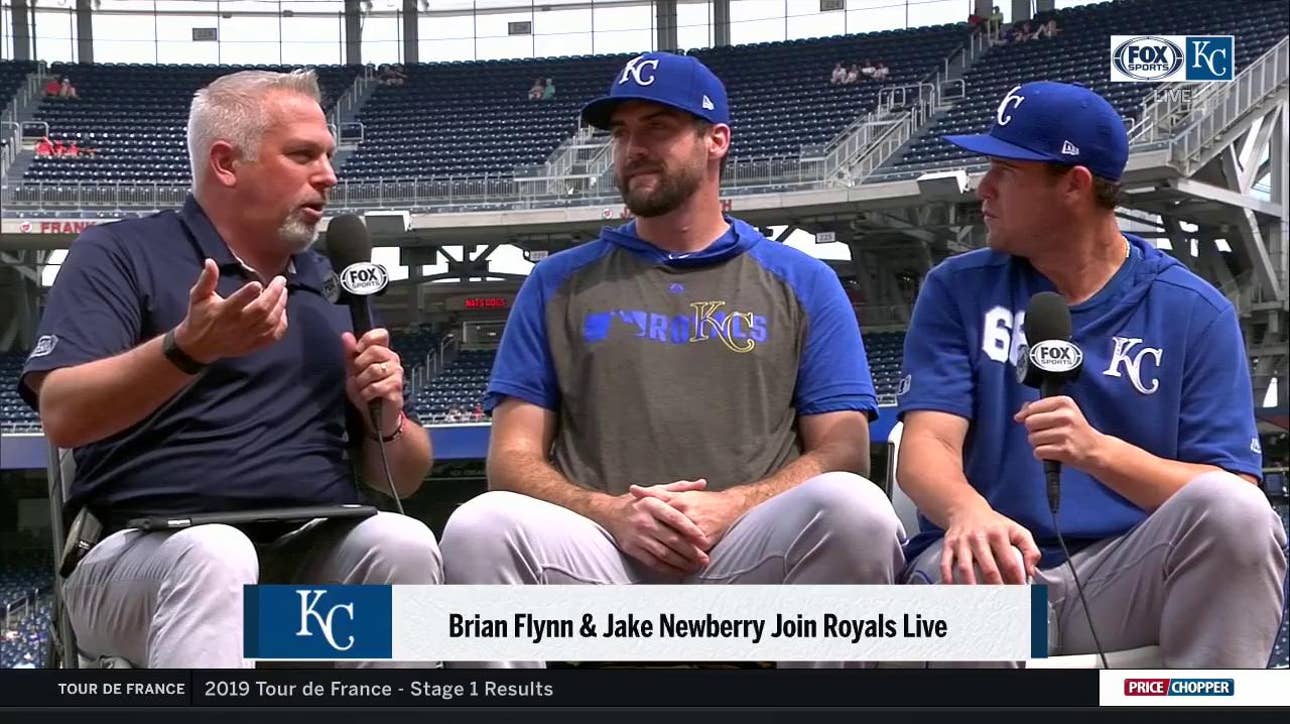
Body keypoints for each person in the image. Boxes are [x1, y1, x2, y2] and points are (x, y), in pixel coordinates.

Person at [440, 51, 903, 668]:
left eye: (658, 127)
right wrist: (611, 513)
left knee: (855, 508)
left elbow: (844, 449)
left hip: (744, 551)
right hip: (604, 554)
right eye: (621, 132)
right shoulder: (557, 283)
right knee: (480, 525)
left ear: (716, 141)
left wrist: (733, 506)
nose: (634, 148)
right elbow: (510, 459)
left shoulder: (803, 280)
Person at [17, 69, 443, 669]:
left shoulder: (328, 283)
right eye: (303, 155)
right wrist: (187, 349)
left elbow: (406, 476)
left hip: (299, 568)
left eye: (327, 155)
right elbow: (62, 415)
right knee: (217, 555)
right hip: (143, 560)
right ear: (225, 163)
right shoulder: (119, 253)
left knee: (402, 541)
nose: (328, 175)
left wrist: (386, 415)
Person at [895, 81, 1287, 667]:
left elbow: (1230, 489)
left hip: (1124, 577)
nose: (984, 188)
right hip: (991, 562)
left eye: (1006, 171)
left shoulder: (1193, 310)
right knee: (976, 581)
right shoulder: (958, 288)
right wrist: (965, 511)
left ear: (1074, 186)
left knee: (1239, 514)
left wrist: (1099, 453)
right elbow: (928, 444)